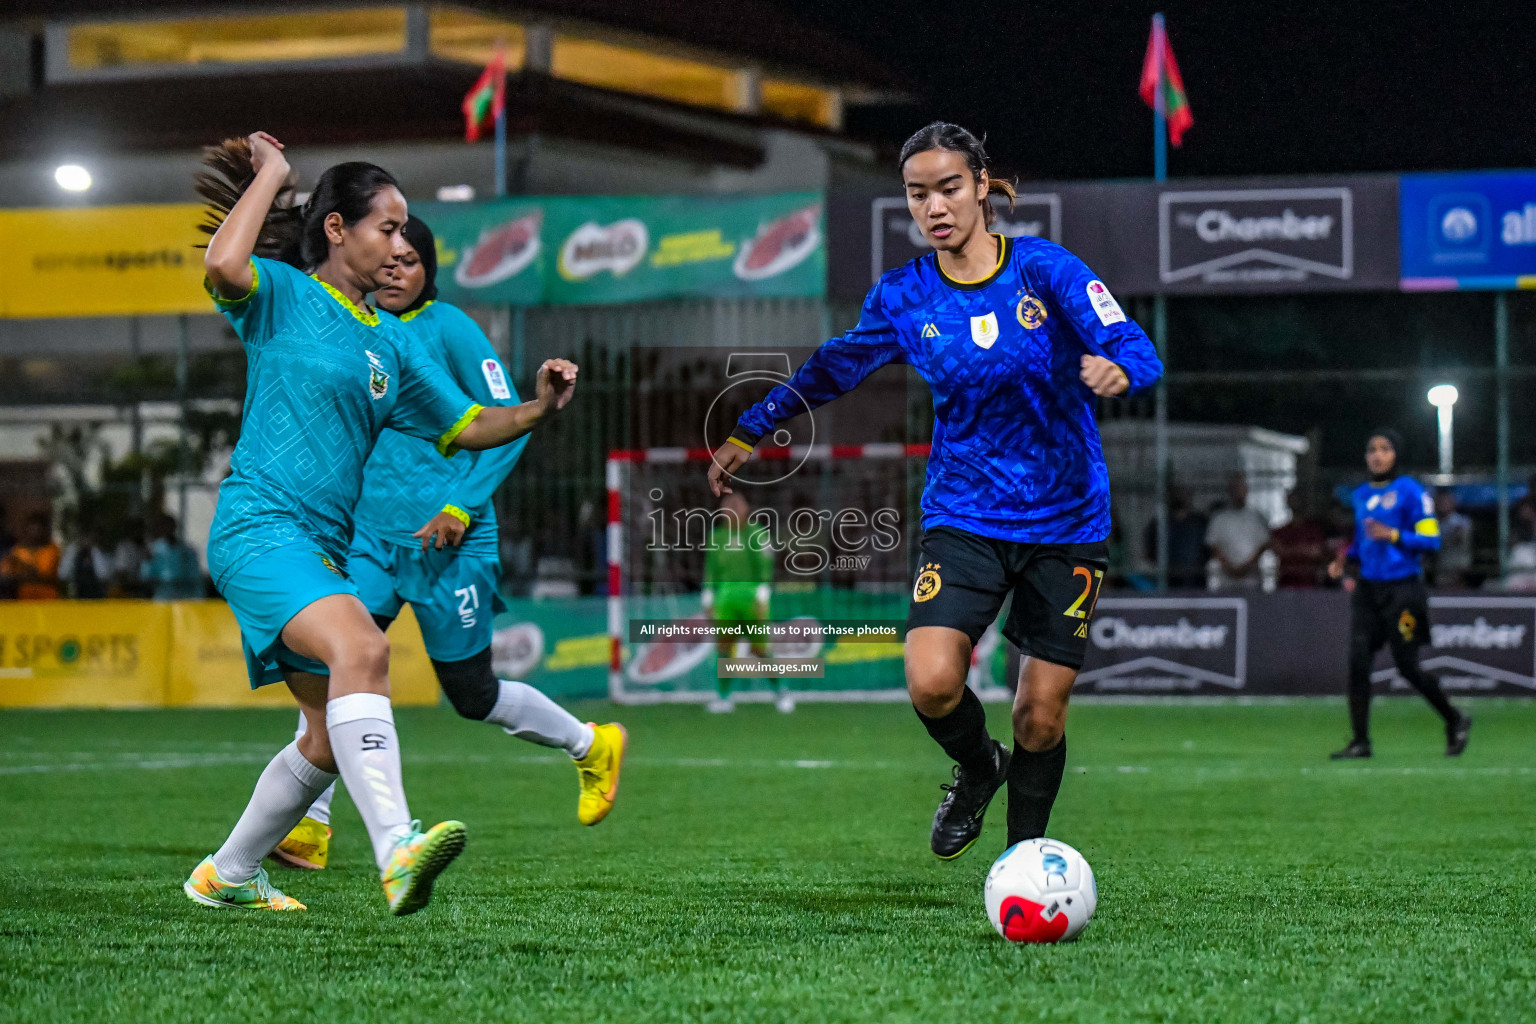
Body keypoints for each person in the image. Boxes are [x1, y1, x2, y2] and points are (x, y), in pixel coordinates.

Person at [706, 122, 1161, 860]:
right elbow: (833, 368)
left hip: (1067, 520)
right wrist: (753, 427)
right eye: (919, 194)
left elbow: (1133, 343)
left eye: (949, 188)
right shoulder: (905, 296)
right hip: (965, 515)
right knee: (931, 682)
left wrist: (1120, 370)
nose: (935, 207)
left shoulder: (1046, 271)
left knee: (1041, 717)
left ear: (982, 186)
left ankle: (1022, 865)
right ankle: (980, 767)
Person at [182, 132, 577, 916]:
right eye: (388, 228)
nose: (404, 244)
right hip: (260, 527)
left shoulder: (392, 344)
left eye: (405, 230)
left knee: (328, 738)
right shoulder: (282, 296)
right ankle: (397, 849)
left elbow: (467, 425)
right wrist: (273, 175)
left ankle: (225, 874)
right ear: (337, 230)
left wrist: (536, 406)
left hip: (317, 552)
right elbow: (222, 266)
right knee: (364, 644)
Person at [273, 216, 625, 872]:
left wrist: (461, 505)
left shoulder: (452, 329)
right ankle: (310, 828)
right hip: (370, 543)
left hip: (450, 546)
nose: (397, 270)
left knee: (473, 695)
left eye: (411, 261)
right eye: (389, 258)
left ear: (429, 268)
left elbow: (510, 424)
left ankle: (591, 745)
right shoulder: (356, 328)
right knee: (331, 671)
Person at [1327, 429, 1470, 760]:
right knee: (1358, 662)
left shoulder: (1411, 492)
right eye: (1371, 449)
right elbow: (1363, 543)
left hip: (1403, 593)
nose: (1377, 455)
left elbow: (1432, 540)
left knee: (1407, 666)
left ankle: (1455, 718)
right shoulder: (1361, 494)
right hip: (1368, 592)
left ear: (1395, 455)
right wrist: (1344, 560)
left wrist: (1394, 535)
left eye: (1384, 448)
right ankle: (1360, 741)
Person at [702, 492, 785, 714]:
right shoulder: (716, 538)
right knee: (725, 647)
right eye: (727, 506)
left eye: (737, 505)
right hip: (726, 599)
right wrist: (708, 597)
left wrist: (762, 596)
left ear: (746, 510)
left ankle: (781, 693)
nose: (732, 510)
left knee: (760, 649)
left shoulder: (757, 534)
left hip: (751, 598)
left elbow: (765, 567)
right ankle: (724, 697)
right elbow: (711, 571)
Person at [1205, 473, 1271, 590]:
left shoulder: (1256, 517)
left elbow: (1264, 544)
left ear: (1247, 490)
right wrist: (1228, 566)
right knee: (1212, 566)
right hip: (1225, 573)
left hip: (1250, 573)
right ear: (1229, 491)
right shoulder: (1219, 518)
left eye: (1241, 488)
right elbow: (1213, 545)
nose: (1238, 493)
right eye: (1235, 488)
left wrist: (1247, 565)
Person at [1143, 485, 1208, 589]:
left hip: (1196, 580)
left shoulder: (1200, 521)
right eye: (1176, 493)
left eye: (1183, 493)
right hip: (1168, 581)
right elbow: (1150, 551)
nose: (1180, 496)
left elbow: (1209, 548)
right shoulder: (1159, 523)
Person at [1271, 490, 1329, 588]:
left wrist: (1291, 550)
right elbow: (1280, 551)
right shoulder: (1280, 531)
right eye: (1292, 499)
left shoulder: (1314, 531)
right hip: (1286, 584)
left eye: (1297, 499)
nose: (1295, 502)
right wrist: (1304, 550)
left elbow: (1317, 552)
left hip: (1309, 585)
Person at [0, 512, 62, 600]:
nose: (35, 532)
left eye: (39, 528)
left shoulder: (52, 550)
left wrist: (24, 570)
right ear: (26, 529)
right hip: (24, 598)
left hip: (48, 598)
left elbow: (48, 576)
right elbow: (7, 575)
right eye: (32, 528)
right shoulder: (17, 550)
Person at [142, 514, 204, 599]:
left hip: (184, 596)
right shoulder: (154, 550)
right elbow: (146, 576)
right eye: (164, 526)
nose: (167, 529)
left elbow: (195, 575)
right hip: (162, 596)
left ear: (175, 527)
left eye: (170, 526)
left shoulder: (187, 550)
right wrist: (147, 562)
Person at [1431, 489, 1474, 588]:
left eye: (1446, 502)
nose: (1443, 505)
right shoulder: (1434, 522)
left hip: (1459, 566)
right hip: (1441, 567)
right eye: (1440, 502)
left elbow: (1457, 540)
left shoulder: (1462, 521)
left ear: (1453, 503)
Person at [60, 522, 111, 599]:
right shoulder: (73, 551)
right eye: (83, 536)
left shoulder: (97, 552)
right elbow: (63, 575)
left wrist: (93, 550)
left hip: (97, 597)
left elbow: (104, 575)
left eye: (88, 536)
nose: (85, 540)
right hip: (78, 596)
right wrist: (74, 550)